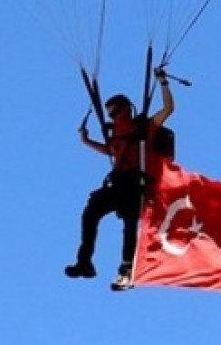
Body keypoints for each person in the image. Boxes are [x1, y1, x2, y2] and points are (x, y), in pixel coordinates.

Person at [65, 69, 174, 291]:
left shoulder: (144, 127)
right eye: (110, 114)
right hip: (118, 182)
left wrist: (163, 82)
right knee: (91, 212)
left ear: (126, 108)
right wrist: (87, 141)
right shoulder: (116, 132)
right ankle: (84, 262)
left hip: (136, 184)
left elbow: (168, 109)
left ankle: (126, 270)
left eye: (115, 112)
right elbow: (112, 151)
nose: (112, 117)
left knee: (129, 225)